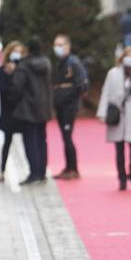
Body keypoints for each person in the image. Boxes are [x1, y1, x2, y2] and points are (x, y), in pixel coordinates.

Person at [97, 47, 131, 191]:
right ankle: (121, 178)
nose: (129, 59)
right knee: (119, 149)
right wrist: (102, 113)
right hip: (117, 114)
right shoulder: (113, 73)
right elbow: (105, 92)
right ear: (122, 58)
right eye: (127, 56)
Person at [11, 38, 53, 185]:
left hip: (28, 108)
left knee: (30, 142)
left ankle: (34, 173)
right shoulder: (46, 63)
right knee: (42, 140)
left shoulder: (23, 65)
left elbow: (17, 87)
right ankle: (41, 172)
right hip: (43, 107)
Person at [52, 34, 89, 180]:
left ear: (68, 46)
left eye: (61, 45)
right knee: (64, 137)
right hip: (61, 104)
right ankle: (68, 167)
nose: (58, 48)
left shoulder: (73, 63)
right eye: (56, 45)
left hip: (69, 105)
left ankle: (73, 168)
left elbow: (81, 84)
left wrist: (69, 96)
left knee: (68, 137)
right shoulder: (60, 63)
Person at [0, 41, 25, 183]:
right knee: (7, 142)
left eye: (20, 51)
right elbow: (2, 89)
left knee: (27, 141)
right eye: (15, 51)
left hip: (22, 111)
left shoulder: (24, 70)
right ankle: (2, 170)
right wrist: (9, 74)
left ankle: (30, 170)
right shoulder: (2, 70)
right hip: (8, 111)